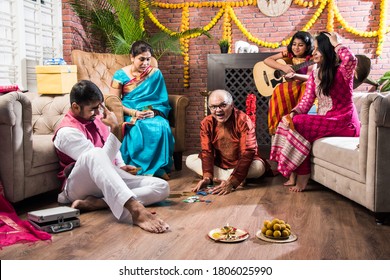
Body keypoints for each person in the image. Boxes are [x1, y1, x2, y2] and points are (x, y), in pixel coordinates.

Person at [53, 80, 170, 233]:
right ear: (75, 107)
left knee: (162, 187)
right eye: (93, 109)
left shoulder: (95, 118)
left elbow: (112, 151)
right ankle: (135, 209)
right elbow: (99, 161)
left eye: (99, 107)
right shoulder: (67, 132)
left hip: (107, 180)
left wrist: (120, 166)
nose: (97, 113)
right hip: (78, 186)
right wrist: (115, 127)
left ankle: (99, 203)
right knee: (94, 153)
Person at [270, 32, 360, 192]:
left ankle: (303, 176)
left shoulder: (343, 72)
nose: (312, 53)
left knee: (299, 123)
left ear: (328, 50)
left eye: (317, 49)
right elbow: (306, 100)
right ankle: (294, 172)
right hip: (327, 121)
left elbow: (351, 60)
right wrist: (294, 112)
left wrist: (336, 43)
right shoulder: (314, 74)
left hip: (345, 122)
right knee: (289, 120)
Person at [109, 40, 174, 180]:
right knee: (138, 127)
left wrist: (154, 112)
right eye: (141, 59)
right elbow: (114, 102)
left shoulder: (155, 74)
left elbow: (161, 99)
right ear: (132, 57)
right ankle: (141, 168)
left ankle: (157, 167)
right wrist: (134, 113)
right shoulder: (119, 75)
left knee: (161, 125)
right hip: (129, 112)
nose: (145, 63)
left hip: (150, 111)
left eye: (148, 59)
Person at [186, 89, 267, 195]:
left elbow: (248, 152)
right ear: (209, 108)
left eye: (223, 105)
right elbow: (207, 151)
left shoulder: (243, 120)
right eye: (213, 107)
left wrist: (233, 182)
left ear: (232, 105)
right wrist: (206, 178)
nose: (218, 110)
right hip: (220, 163)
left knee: (259, 168)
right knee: (189, 160)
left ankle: (229, 177)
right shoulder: (206, 123)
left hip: (242, 162)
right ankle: (231, 177)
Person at [264, 31, 315, 135]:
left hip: (302, 84)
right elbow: (267, 60)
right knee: (280, 90)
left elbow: (310, 77)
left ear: (308, 46)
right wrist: (282, 67)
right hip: (290, 84)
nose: (296, 48)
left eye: (300, 45)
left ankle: (296, 125)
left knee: (306, 87)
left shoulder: (312, 59)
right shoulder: (288, 54)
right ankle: (279, 126)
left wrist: (295, 76)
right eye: (294, 44)